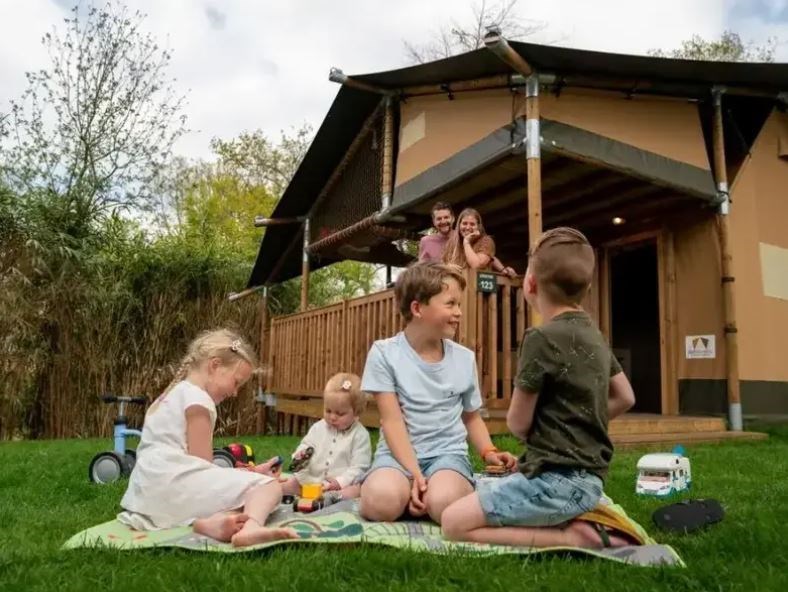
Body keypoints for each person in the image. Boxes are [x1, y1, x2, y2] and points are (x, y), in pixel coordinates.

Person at [441, 227, 637, 549]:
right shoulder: (594, 334)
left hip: (556, 485)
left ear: (529, 284)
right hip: (590, 481)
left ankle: (570, 538)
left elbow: (518, 424)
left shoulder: (540, 338)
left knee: (452, 522)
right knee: (481, 488)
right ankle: (571, 523)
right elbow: (625, 396)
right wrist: (580, 419)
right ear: (586, 288)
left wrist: (545, 431)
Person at [359, 262, 516, 523]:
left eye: (459, 305)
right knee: (380, 504)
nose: (459, 313)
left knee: (443, 503)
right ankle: (401, 492)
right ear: (417, 308)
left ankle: (425, 495)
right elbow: (392, 421)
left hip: (447, 455)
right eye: (451, 304)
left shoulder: (464, 359)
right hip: (396, 456)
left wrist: (489, 451)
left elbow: (471, 417)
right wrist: (415, 474)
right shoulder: (384, 353)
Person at [117, 329, 298, 547]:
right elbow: (202, 466)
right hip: (173, 487)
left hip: (146, 495)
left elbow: (194, 469)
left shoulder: (169, 396)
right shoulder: (199, 401)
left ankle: (210, 523)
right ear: (214, 366)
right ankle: (251, 528)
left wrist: (251, 472)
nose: (234, 393)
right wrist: (256, 477)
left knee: (246, 494)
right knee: (269, 488)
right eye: (236, 382)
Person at [281, 373, 371, 500]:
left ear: (356, 412)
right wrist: (300, 456)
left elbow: (359, 467)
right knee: (292, 482)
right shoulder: (319, 427)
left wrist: (340, 482)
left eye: (340, 413)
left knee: (356, 490)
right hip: (311, 481)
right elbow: (307, 445)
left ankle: (333, 498)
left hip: (338, 485)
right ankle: (278, 490)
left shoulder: (360, 435)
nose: (332, 417)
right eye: (328, 411)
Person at [420, 202, 516, 276]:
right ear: (433, 221)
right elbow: (422, 267)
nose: (443, 221)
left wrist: (503, 269)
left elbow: (488, 256)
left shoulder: (462, 237)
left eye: (446, 217)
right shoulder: (426, 241)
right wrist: (446, 268)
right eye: (439, 219)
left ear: (453, 219)